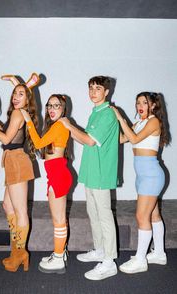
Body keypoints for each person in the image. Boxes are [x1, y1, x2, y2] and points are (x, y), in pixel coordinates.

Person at [0, 73, 39, 272]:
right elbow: (7, 134)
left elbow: (5, 139)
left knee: (20, 210)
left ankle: (20, 254)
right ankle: (16, 251)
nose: (15, 97)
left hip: (17, 161)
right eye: (14, 93)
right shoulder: (17, 113)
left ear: (27, 98)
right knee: (7, 205)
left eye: (21, 94)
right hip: (13, 161)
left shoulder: (18, 113)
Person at [60, 76, 119, 281]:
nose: (93, 92)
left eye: (98, 88)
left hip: (102, 174)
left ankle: (109, 262)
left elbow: (89, 141)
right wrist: (70, 129)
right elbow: (85, 139)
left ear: (107, 92)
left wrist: (68, 125)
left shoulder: (107, 114)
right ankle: (100, 250)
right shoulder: (96, 112)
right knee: (93, 214)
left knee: (104, 216)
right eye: (91, 88)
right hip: (91, 172)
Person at [111, 92, 170, 274]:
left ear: (153, 106)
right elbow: (122, 138)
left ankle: (140, 259)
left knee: (141, 217)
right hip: (143, 176)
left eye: (144, 102)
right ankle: (159, 253)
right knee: (153, 216)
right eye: (138, 103)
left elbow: (135, 139)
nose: (140, 106)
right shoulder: (139, 123)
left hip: (152, 175)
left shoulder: (153, 121)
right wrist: (111, 123)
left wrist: (120, 117)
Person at [21, 94, 72, 274]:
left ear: (63, 108)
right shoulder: (56, 126)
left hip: (58, 174)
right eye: (49, 105)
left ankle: (58, 258)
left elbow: (39, 142)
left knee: (58, 220)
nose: (51, 109)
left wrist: (28, 120)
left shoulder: (60, 125)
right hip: (56, 173)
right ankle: (60, 253)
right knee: (59, 219)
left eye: (56, 106)